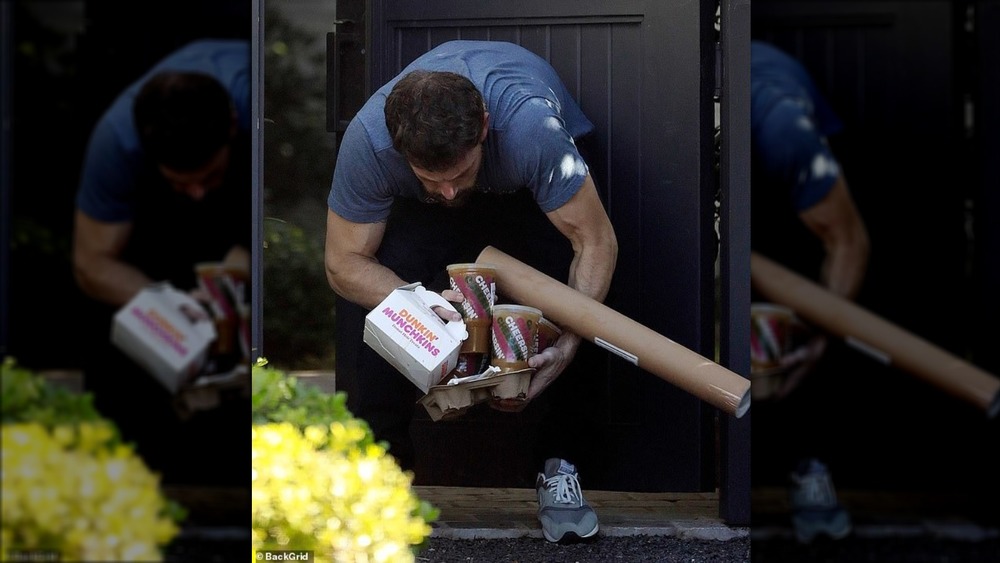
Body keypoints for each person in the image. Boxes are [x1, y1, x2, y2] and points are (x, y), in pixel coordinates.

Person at [325, 40, 618, 543]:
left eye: (457, 175)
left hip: (526, 188)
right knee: (380, 313)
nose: (449, 192)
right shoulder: (369, 142)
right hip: (420, 208)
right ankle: (382, 479)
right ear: (400, 153)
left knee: (576, 307)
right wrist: (420, 308)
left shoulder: (532, 133)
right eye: (431, 179)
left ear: (483, 127)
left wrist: (569, 342)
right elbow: (343, 263)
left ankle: (560, 466)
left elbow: (594, 242)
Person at [71, 38, 251, 486]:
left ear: (232, 127)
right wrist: (167, 306)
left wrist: (249, 261)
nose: (197, 193)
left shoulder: (254, 100)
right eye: (180, 182)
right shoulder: (116, 140)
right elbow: (91, 262)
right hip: (159, 245)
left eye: (208, 176)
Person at [750, 40, 871, 543]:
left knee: (800, 306)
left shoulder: (788, 136)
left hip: (782, 156)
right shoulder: (672, 122)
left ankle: (810, 467)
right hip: (727, 155)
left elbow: (850, 241)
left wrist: (822, 337)